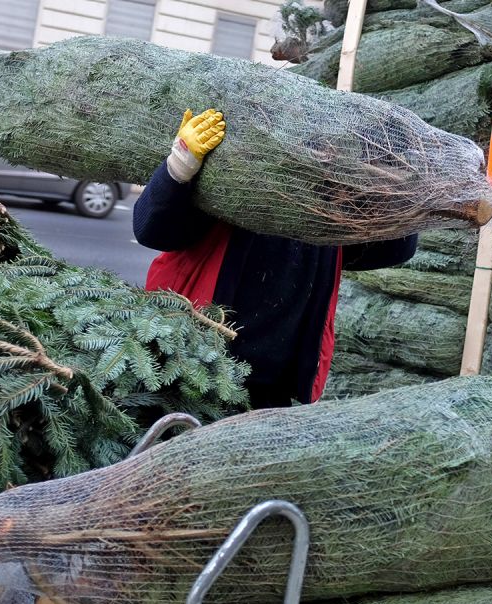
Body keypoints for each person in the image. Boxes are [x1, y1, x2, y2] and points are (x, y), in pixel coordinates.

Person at [135, 108, 418, 409]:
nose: (320, 156)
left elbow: (393, 250)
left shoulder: (328, 213)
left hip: (271, 392)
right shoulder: (233, 181)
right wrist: (180, 165)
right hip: (185, 366)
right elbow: (150, 228)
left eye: (327, 150)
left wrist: (395, 182)